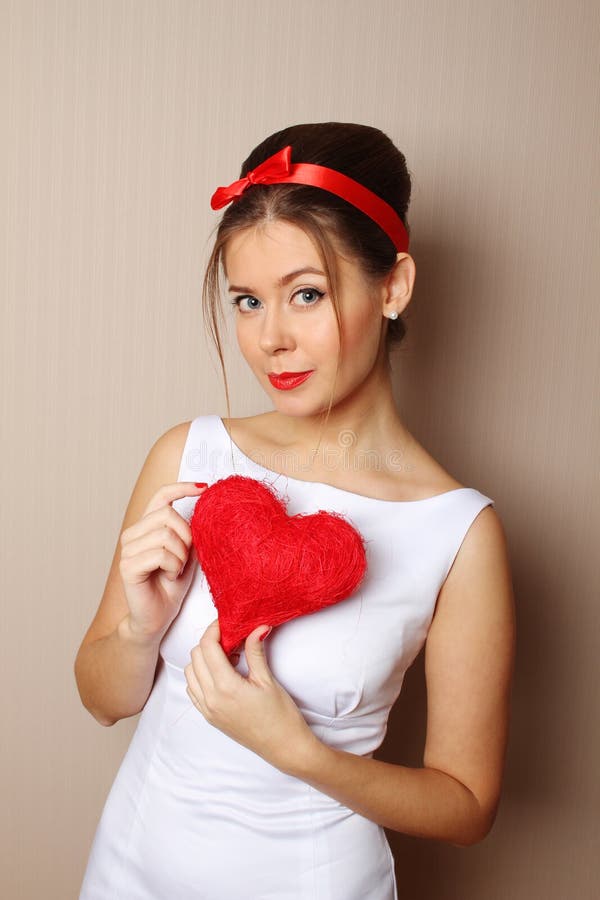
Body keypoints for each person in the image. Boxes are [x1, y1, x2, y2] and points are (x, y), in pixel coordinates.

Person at [75, 122, 515, 899]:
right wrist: (141, 631)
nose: (271, 338)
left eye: (305, 295)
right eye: (248, 301)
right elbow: (103, 699)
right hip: (129, 870)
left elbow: (467, 805)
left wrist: (300, 752)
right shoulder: (190, 456)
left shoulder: (459, 534)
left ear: (394, 286)